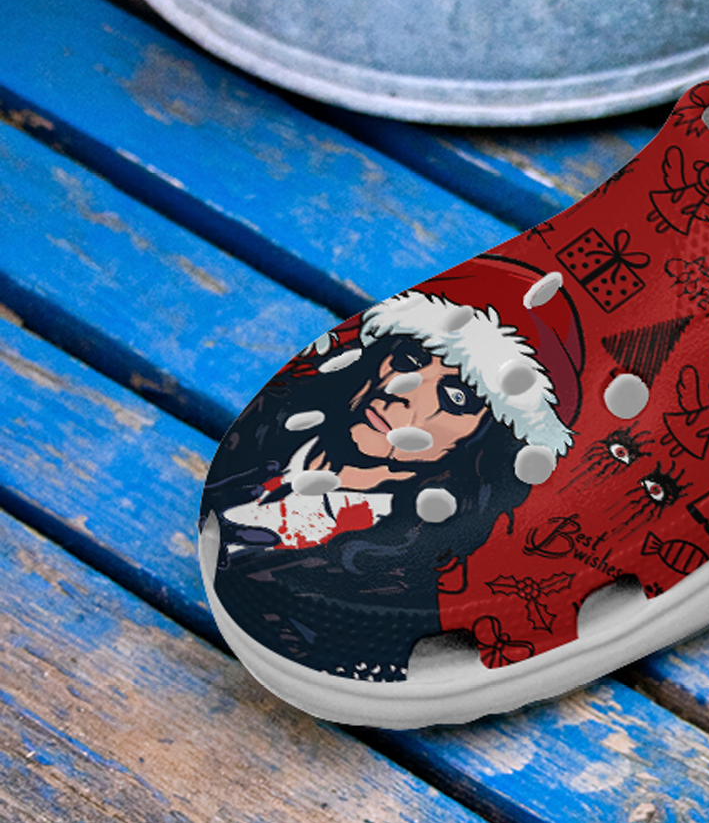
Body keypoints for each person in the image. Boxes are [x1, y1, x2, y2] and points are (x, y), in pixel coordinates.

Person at [203, 254, 583, 680]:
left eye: (455, 398)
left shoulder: (387, 585)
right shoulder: (264, 439)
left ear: (481, 445)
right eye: (410, 359)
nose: (404, 392)